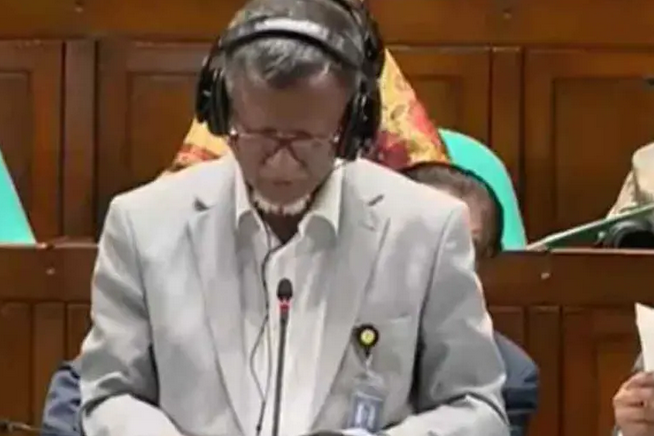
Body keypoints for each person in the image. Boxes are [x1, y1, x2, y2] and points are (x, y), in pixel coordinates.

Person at [78, 1, 508, 436]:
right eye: (260, 137)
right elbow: (108, 395)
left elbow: (478, 409)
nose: (281, 166)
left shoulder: (428, 230)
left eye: (306, 140)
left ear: (352, 126)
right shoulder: (142, 224)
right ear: (223, 115)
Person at [402, 162, 539, 436]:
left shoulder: (509, 375)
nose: (439, 259)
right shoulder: (323, 318)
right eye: (424, 240)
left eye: (462, 247)